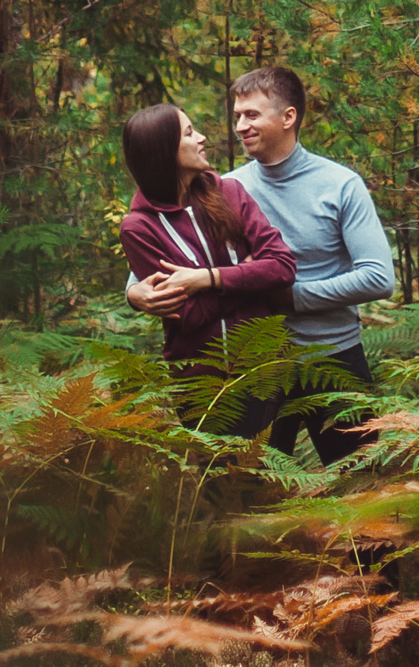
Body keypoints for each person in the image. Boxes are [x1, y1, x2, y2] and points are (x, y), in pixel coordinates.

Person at [131, 67, 394, 462]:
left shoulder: (340, 184)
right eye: (237, 116)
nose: (239, 126)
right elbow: (158, 261)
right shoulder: (223, 188)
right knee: (259, 498)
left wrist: (288, 298)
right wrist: (134, 293)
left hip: (331, 357)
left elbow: (378, 278)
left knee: (361, 485)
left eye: (251, 115)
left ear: (288, 117)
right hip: (255, 366)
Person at [116, 102, 297, 427]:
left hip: (264, 369)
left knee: (273, 474)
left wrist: (207, 280)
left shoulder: (229, 191)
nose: (201, 138)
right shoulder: (138, 227)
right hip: (200, 386)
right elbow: (189, 316)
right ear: (164, 151)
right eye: (189, 133)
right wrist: (249, 275)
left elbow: (282, 268)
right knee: (221, 478)